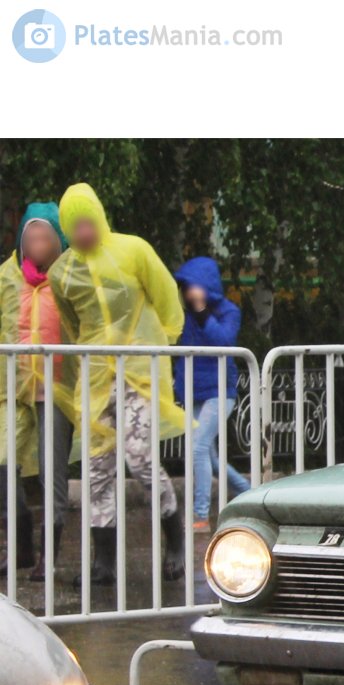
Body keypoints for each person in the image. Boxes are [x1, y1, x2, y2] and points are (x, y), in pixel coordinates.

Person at [48, 183, 188, 585]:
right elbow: (73, 327)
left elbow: (166, 300)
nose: (84, 232)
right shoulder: (63, 271)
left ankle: (175, 541)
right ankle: (104, 562)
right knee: (97, 468)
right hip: (94, 378)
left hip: (141, 370)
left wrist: (157, 348)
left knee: (142, 456)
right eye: (75, 227)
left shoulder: (134, 250)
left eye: (89, 222)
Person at [0, 202, 73, 581]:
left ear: (59, 241)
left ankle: (49, 556)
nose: (37, 243)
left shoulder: (70, 276)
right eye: (31, 236)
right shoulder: (5, 277)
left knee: (51, 475)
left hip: (56, 389)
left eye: (45, 236)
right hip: (13, 386)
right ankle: (20, 542)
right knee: (2, 463)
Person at [172, 257, 249, 531]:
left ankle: (201, 515)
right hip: (194, 391)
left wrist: (203, 310)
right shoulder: (184, 314)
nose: (188, 292)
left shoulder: (228, 310)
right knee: (211, 459)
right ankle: (249, 492)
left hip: (219, 391)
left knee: (198, 449)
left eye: (192, 286)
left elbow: (224, 342)